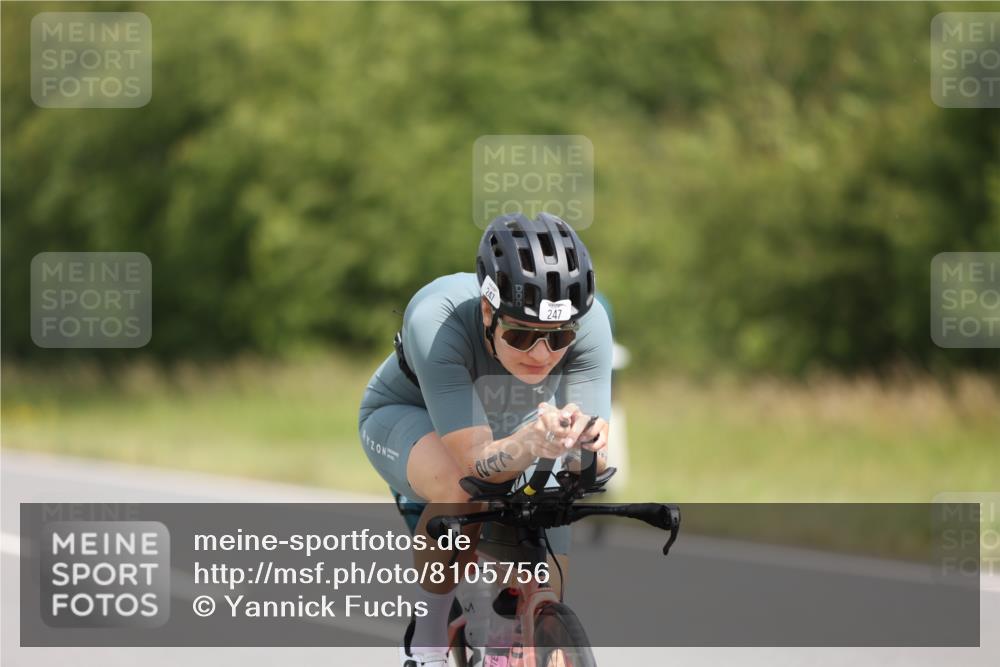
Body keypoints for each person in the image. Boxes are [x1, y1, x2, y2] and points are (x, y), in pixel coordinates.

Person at [358, 212, 613, 667]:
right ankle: (428, 645)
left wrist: (582, 444)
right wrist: (529, 443)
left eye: (559, 338)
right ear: (487, 313)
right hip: (412, 418)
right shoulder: (434, 320)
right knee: (462, 492)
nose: (542, 354)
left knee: (553, 536)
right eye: (521, 335)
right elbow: (476, 464)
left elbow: (589, 450)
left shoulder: (591, 323)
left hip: (516, 428)